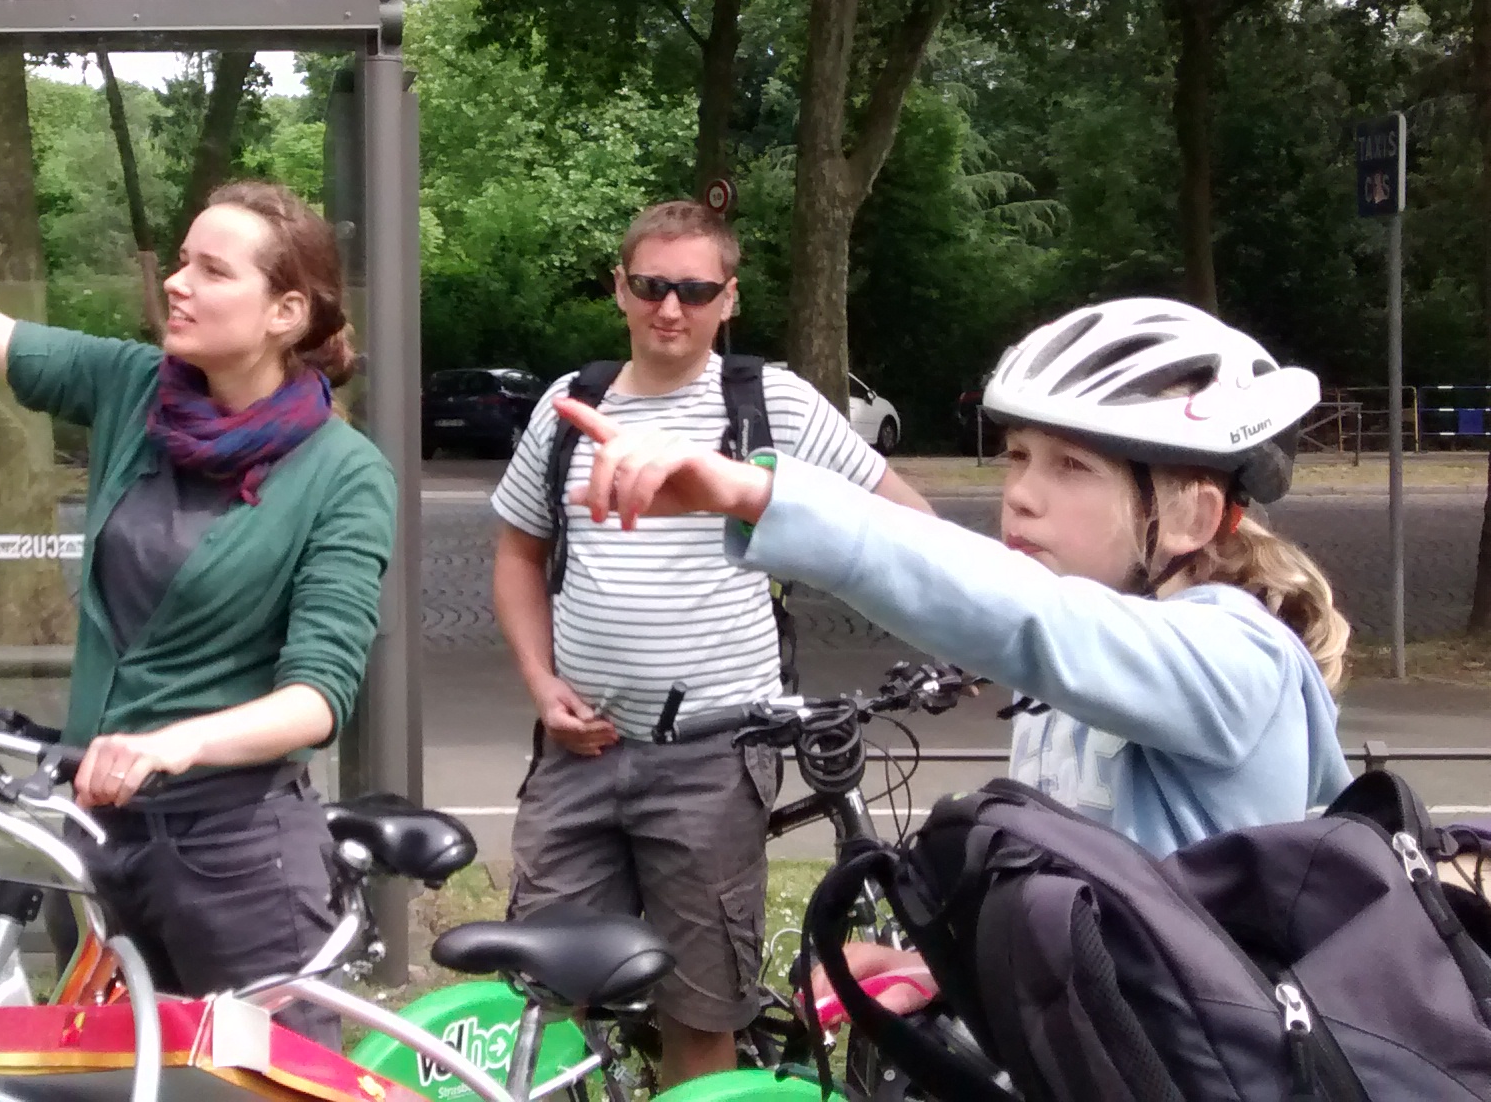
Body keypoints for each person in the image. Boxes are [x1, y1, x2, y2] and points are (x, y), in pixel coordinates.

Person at [552, 297, 1354, 1002]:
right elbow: (1080, 916)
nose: (1022, 494)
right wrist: (942, 969)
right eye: (1018, 456)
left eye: (1072, 466)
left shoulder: (1236, 660)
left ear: (1189, 518)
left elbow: (1030, 617)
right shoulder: (1072, 676)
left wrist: (761, 494)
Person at [0, 91, 394, 1050]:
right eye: (183, 260)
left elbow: (317, 700)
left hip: (238, 857)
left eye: (211, 270)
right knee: (106, 1075)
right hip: (97, 835)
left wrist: (172, 744)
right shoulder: (132, 387)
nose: (177, 284)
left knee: (273, 1082)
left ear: (286, 312)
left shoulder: (343, 473)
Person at [488, 200, 931, 1089]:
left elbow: (908, 523)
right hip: (577, 752)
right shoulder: (570, 406)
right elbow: (518, 554)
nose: (670, 308)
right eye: (651, 285)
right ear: (619, 288)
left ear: (729, 298)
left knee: (701, 1011)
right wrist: (540, 681)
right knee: (546, 1001)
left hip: (712, 761)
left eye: (694, 290)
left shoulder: (771, 405)